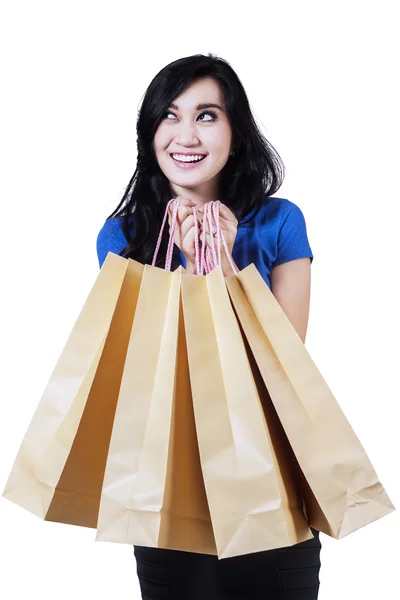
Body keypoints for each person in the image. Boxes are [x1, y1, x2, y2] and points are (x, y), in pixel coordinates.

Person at [96, 53, 322, 600]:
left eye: (206, 115)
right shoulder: (123, 236)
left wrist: (221, 266)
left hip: (271, 480)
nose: (185, 133)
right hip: (171, 488)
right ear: (151, 134)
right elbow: (142, 374)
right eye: (169, 116)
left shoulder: (279, 221)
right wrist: (178, 264)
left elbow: (286, 365)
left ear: (235, 134)